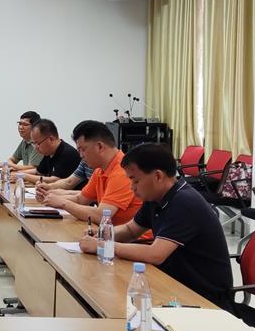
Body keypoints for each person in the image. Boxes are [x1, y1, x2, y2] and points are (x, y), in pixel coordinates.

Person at [78, 143, 233, 309]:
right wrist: (102, 234)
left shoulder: (184, 202)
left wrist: (103, 246)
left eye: (135, 180)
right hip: (173, 283)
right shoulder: (155, 197)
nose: (131, 187)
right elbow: (130, 230)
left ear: (158, 176)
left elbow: (155, 254)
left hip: (204, 298)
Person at [38, 120, 143, 226]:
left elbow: (101, 215)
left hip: (128, 236)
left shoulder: (122, 172)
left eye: (83, 149)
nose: (81, 155)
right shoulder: (100, 170)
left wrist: (62, 203)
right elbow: (81, 199)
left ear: (100, 146)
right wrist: (50, 197)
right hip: (110, 232)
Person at [20, 119, 81, 184]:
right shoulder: (49, 153)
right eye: (33, 143)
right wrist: (17, 174)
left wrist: (23, 176)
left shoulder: (68, 154)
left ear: (51, 139)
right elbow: (38, 171)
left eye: (38, 143)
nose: (36, 148)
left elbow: (55, 180)